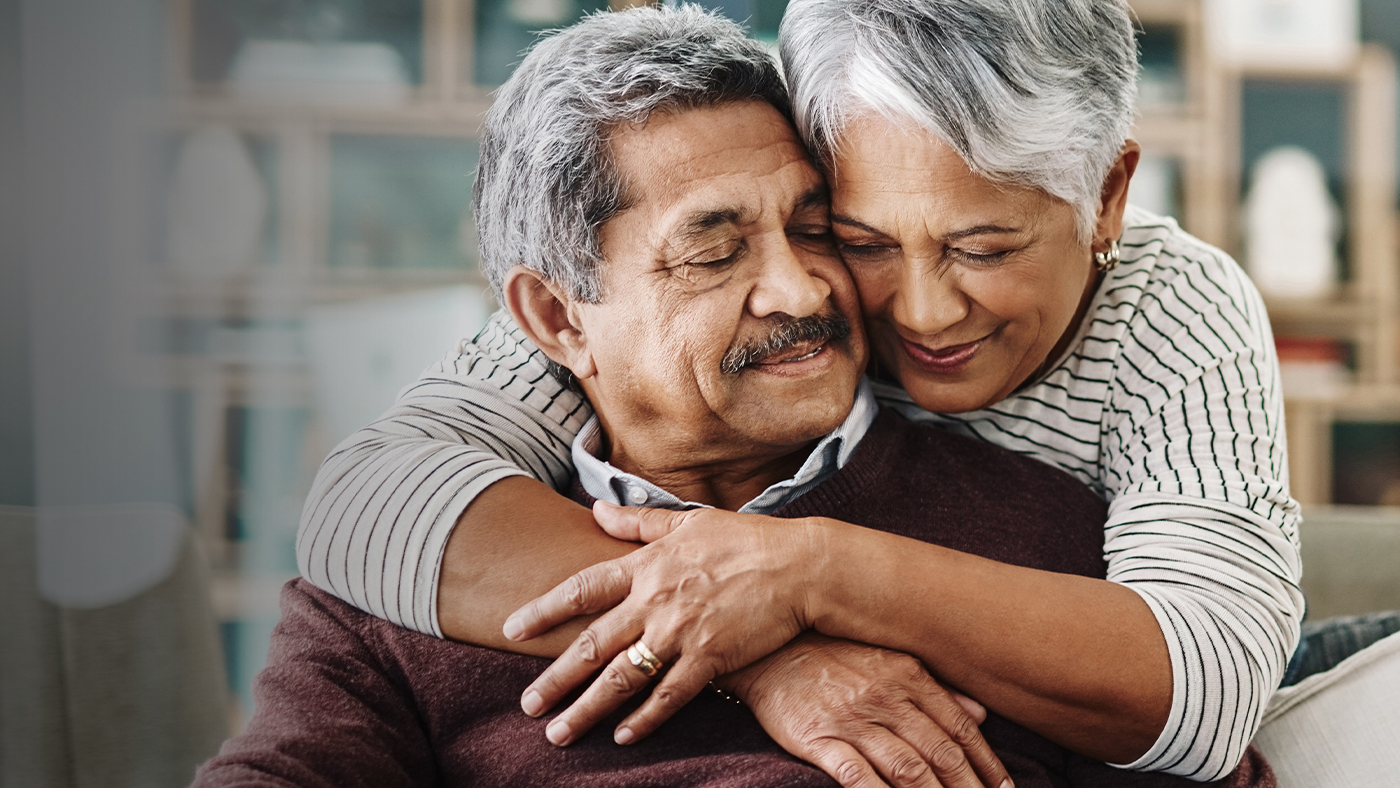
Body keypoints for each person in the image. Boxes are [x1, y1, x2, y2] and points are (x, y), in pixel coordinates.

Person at [198, 10, 1276, 785]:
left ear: (1104, 198)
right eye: (712, 253)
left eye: (812, 230)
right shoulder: (426, 571)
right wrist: (758, 644)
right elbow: (362, 497)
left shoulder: (1054, 544)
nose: (824, 289)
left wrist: (807, 571)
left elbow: (1200, 701)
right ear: (560, 321)